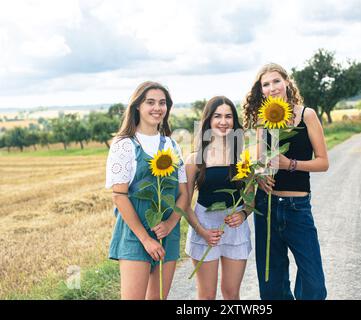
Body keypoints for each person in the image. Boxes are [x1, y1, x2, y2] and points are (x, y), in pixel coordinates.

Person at [242, 63, 329, 300]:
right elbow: (260, 161)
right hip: (267, 207)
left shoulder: (307, 115)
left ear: (287, 82)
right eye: (266, 84)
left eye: (276, 81)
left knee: (314, 287)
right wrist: (259, 175)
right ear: (261, 90)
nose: (272, 88)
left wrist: (290, 163)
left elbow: (323, 162)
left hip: (297, 208)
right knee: (271, 288)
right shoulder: (263, 121)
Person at [106, 81, 188, 300]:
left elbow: (183, 194)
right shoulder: (124, 145)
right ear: (137, 107)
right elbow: (119, 196)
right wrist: (146, 239)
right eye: (150, 102)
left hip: (167, 235)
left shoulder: (172, 146)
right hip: (136, 235)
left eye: (162, 103)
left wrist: (170, 225)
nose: (157, 108)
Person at [184, 96, 252, 300]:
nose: (224, 121)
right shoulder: (195, 159)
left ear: (234, 121)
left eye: (229, 116)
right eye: (218, 116)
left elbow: (250, 199)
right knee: (206, 296)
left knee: (231, 294)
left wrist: (243, 214)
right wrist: (202, 232)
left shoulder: (242, 157)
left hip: (235, 230)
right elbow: (185, 205)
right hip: (204, 227)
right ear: (208, 120)